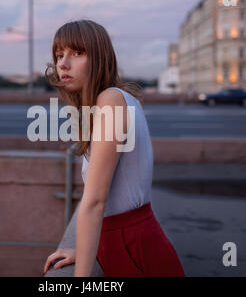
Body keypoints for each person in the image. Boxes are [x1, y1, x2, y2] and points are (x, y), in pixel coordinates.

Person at [42, 19, 185, 277]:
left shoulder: (110, 99)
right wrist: (87, 249)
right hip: (121, 244)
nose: (63, 63)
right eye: (59, 54)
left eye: (77, 53)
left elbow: (96, 201)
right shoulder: (116, 100)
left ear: (99, 57)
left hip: (132, 248)